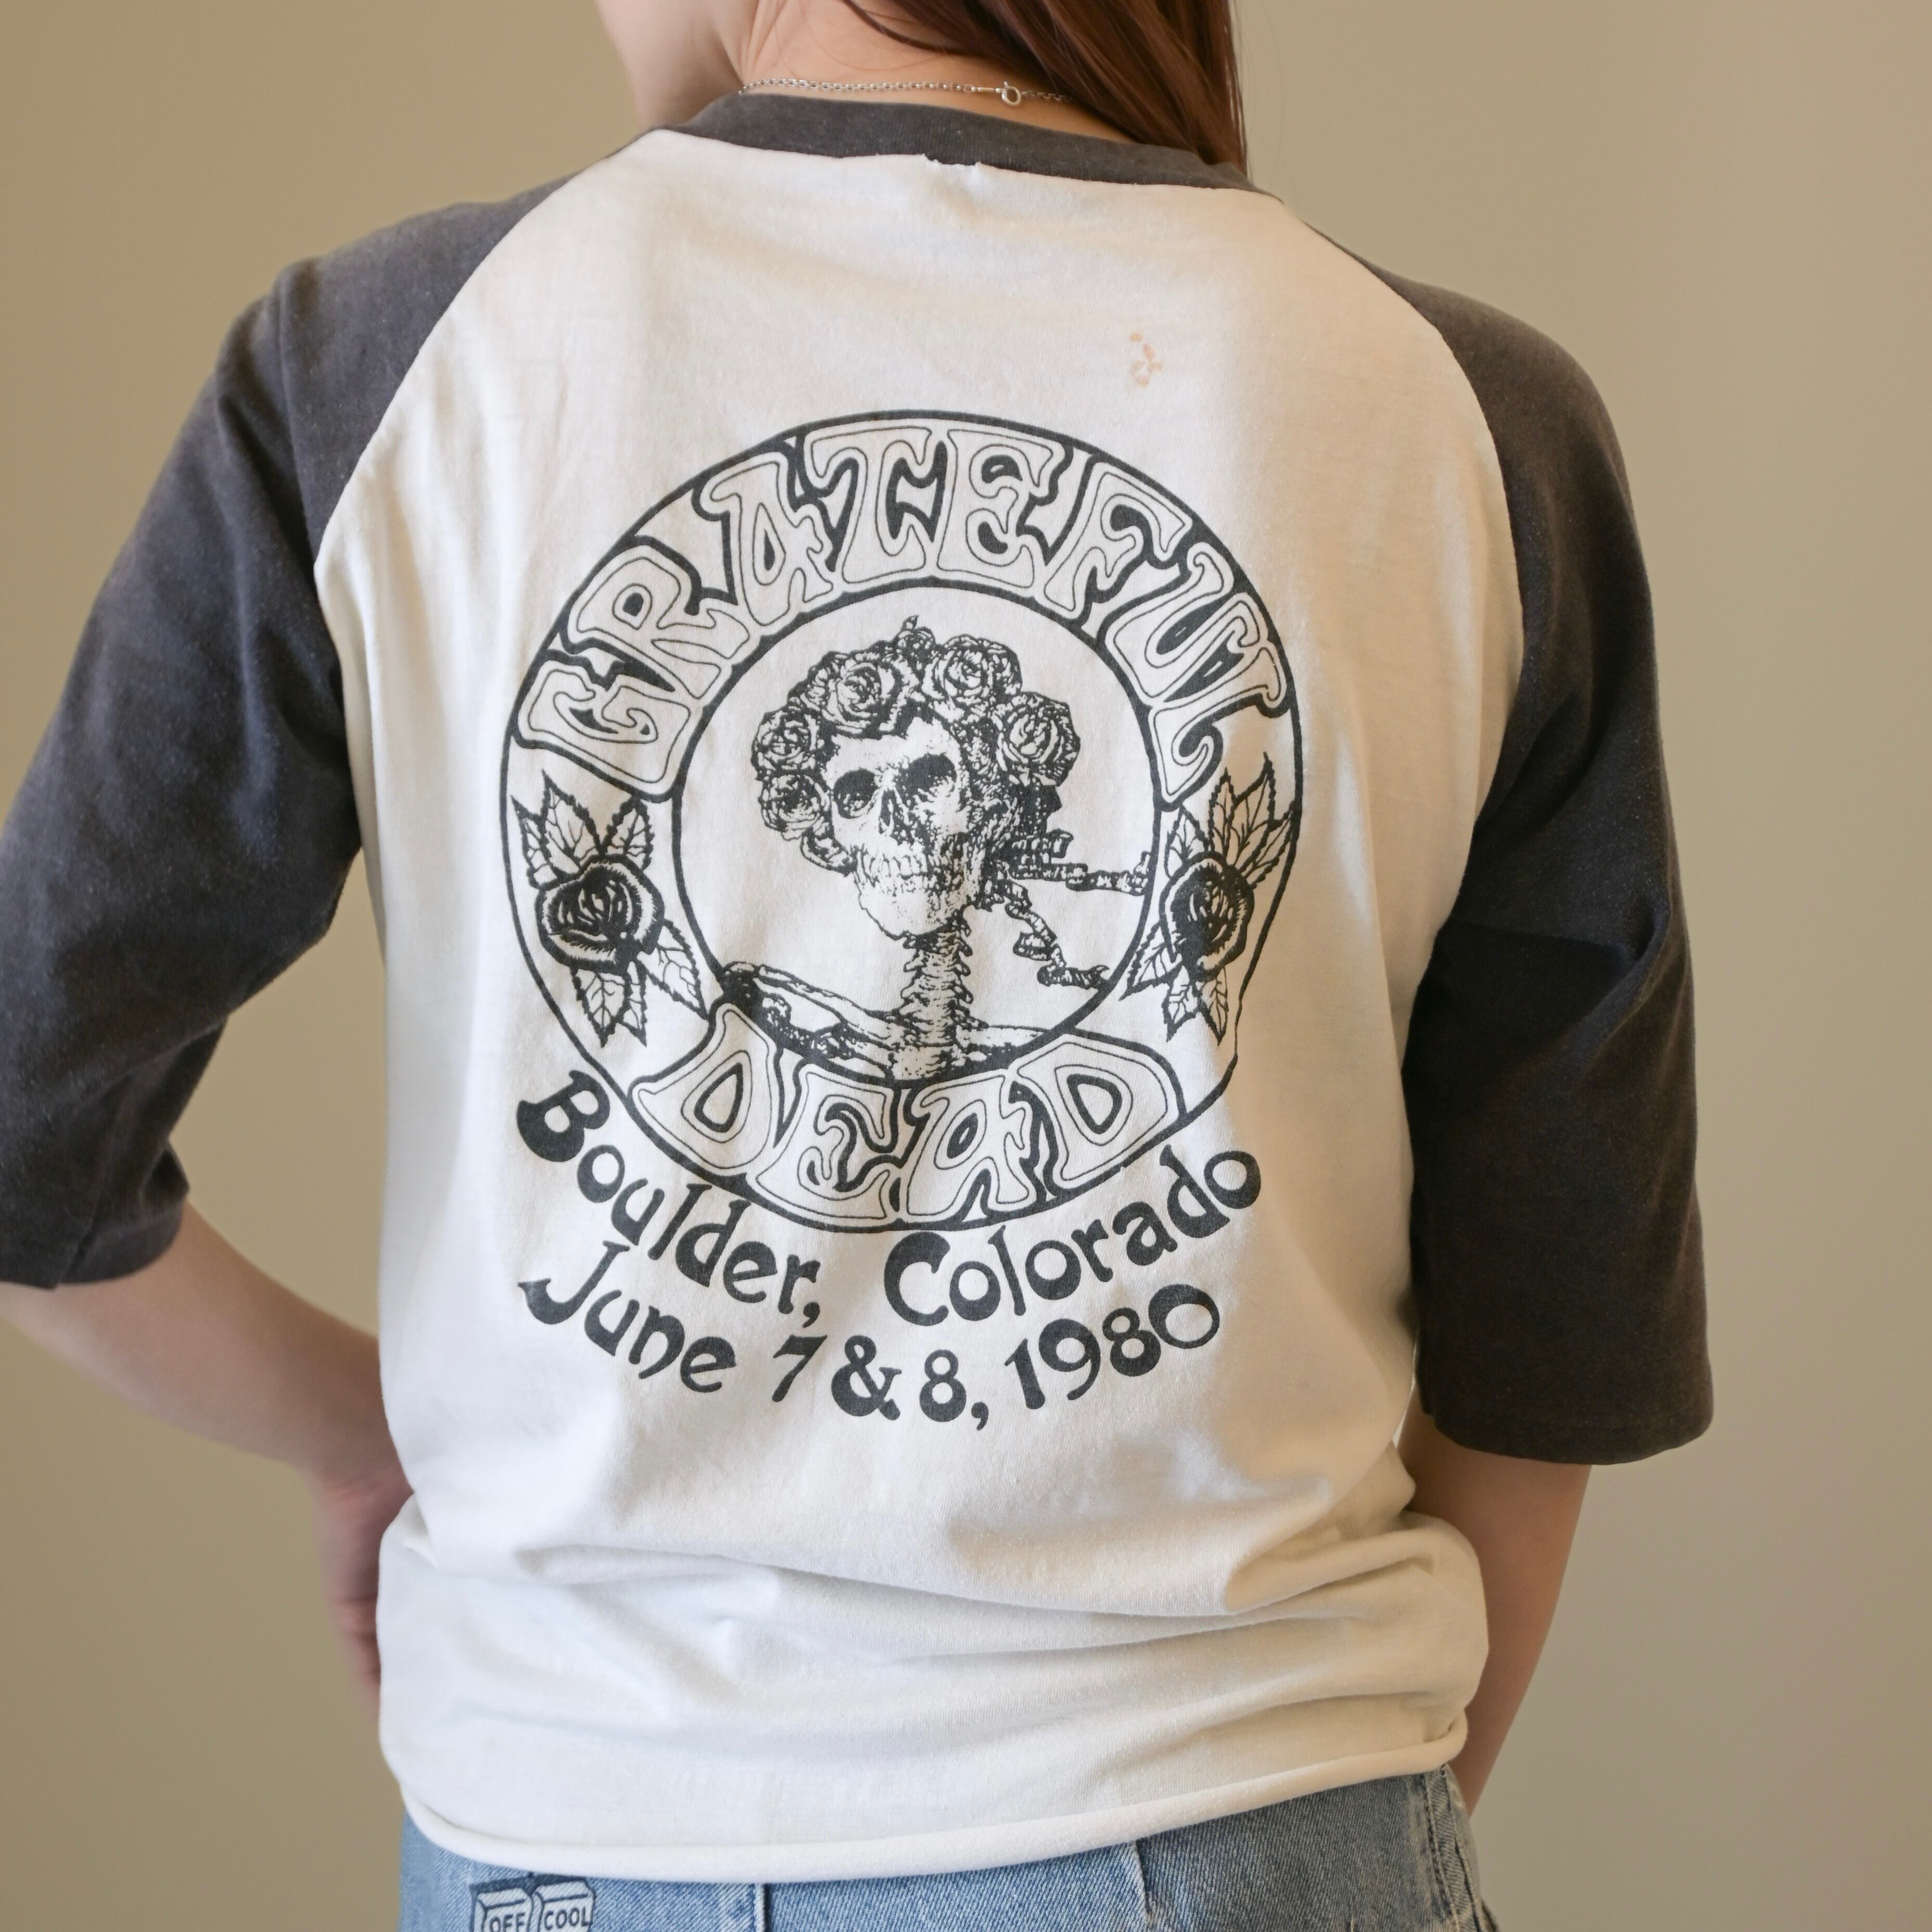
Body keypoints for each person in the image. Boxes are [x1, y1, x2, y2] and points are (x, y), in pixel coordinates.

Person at [0, 0, 1712, 1925]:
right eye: (869, 788)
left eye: (943, 780)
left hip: (572, 1831)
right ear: (819, 806)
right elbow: (1560, 1324)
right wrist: (1322, 1820)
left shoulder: (380, 367)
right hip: (1240, 1811)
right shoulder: (1466, 420)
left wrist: (374, 1433)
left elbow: (23, 1141)